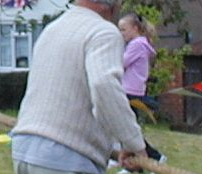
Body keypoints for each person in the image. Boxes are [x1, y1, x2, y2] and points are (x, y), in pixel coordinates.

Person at [10, 0, 147, 173]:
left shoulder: (52, 29)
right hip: (65, 156)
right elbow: (104, 86)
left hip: (23, 150)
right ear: (111, 5)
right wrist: (133, 143)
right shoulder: (103, 32)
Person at [117, 13, 166, 172]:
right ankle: (134, 163)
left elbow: (122, 63)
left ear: (135, 28)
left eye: (123, 30)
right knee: (127, 128)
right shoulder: (138, 44)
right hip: (132, 89)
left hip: (130, 90)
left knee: (128, 129)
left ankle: (153, 157)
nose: (121, 33)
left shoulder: (137, 45)